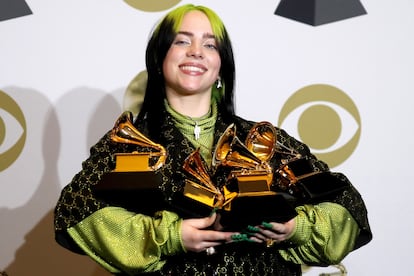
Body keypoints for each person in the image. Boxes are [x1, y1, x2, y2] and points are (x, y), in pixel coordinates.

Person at [54, 4, 372, 275]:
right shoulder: (130, 145)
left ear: (221, 66)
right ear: (159, 59)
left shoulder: (264, 141)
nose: (196, 51)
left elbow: (344, 203)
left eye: (210, 44)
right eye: (182, 41)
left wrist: (295, 228)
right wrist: (171, 235)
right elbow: (78, 210)